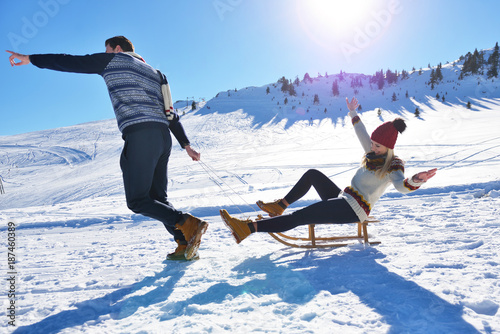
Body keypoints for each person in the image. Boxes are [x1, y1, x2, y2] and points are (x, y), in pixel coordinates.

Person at [7, 36, 208, 260]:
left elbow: (71, 61)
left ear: (117, 49)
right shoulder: (156, 73)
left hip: (141, 135)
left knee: (137, 200)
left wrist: (30, 58)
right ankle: (184, 242)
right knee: (158, 198)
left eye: (106, 50)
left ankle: (186, 223)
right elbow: (170, 113)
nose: (104, 53)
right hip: (163, 138)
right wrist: (186, 145)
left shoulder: (114, 61)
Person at [220, 97, 437, 243]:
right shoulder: (372, 153)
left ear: (388, 148)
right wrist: (352, 112)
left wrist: (417, 179)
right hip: (344, 198)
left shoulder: (392, 166)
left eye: (377, 145)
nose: (371, 147)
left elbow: (402, 187)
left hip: (354, 210)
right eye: (372, 143)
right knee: (313, 174)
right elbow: (362, 132)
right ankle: (279, 206)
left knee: (301, 216)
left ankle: (248, 229)